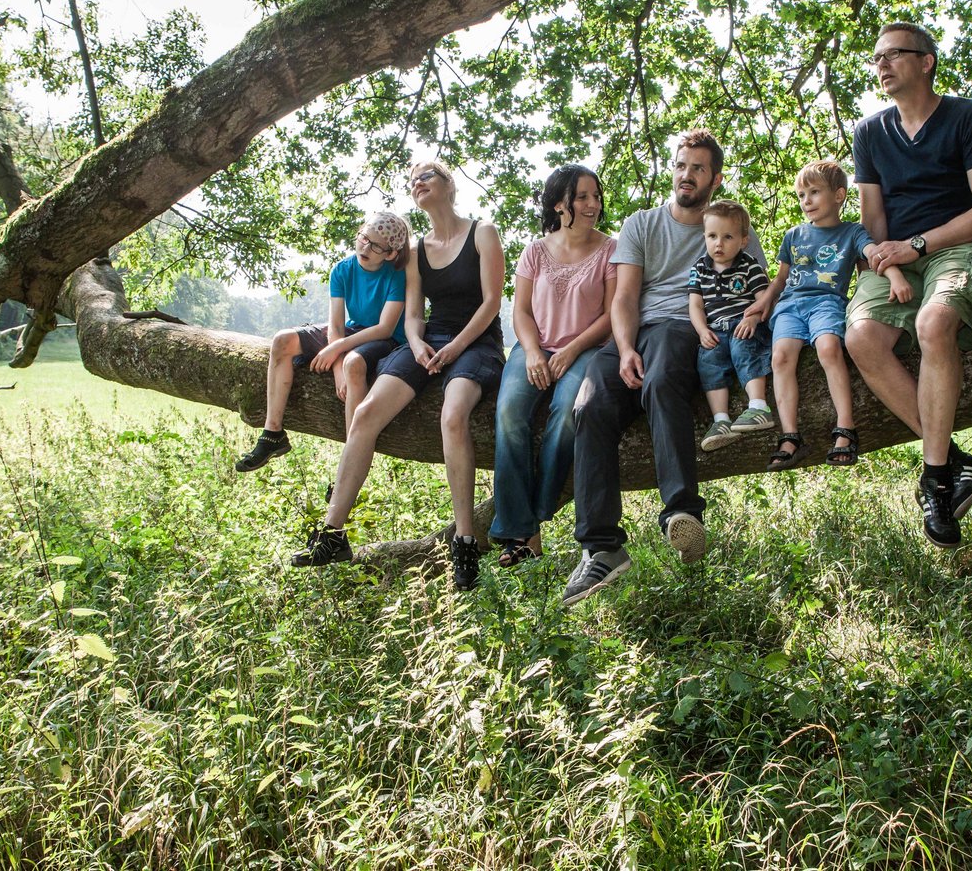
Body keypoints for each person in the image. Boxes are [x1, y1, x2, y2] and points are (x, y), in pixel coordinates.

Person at [564, 129, 766, 607]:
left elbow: (754, 290)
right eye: (680, 165)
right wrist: (626, 346)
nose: (686, 175)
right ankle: (602, 547)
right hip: (635, 330)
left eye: (698, 168)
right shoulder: (642, 224)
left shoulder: (731, 227)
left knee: (659, 384)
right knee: (589, 407)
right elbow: (626, 297)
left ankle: (682, 512)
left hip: (687, 327)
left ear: (714, 179)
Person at [291, 161, 506, 590]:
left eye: (427, 176)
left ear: (449, 185)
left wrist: (455, 348)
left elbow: (491, 304)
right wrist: (419, 341)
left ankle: (465, 541)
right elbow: (411, 315)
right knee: (367, 412)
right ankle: (334, 533)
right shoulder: (415, 252)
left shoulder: (483, 232)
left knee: (452, 415)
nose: (418, 183)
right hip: (429, 340)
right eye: (413, 182)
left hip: (476, 343)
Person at [845, 22, 972, 548]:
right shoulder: (870, 132)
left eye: (896, 54)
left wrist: (918, 246)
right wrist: (891, 265)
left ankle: (936, 480)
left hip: (959, 248)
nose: (882, 64)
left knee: (934, 321)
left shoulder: (967, 117)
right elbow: (872, 219)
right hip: (897, 259)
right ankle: (955, 460)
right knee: (860, 339)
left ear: (926, 62)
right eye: (877, 57)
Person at [488, 165, 617, 568]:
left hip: (586, 351)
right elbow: (521, 313)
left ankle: (533, 517)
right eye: (583, 197)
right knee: (509, 414)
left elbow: (612, 316)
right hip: (533, 349)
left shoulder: (610, 250)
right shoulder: (535, 251)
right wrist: (533, 352)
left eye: (595, 196)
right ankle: (522, 532)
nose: (593, 204)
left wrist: (569, 351)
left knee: (565, 416)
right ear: (560, 203)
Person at [756, 160, 907, 470]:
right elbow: (781, 278)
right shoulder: (793, 235)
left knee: (828, 348)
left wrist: (895, 277)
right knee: (781, 357)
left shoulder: (852, 232)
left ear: (839, 195)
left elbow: (874, 254)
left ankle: (845, 429)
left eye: (814, 192)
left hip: (827, 303)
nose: (806, 201)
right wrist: (765, 302)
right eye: (801, 195)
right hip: (790, 305)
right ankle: (790, 436)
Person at [236, 211, 411, 472]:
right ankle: (273, 434)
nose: (366, 247)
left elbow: (384, 328)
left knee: (354, 364)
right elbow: (337, 325)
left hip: (383, 339)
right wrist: (336, 369)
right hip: (351, 331)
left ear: (390, 253)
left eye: (376, 246)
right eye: (364, 238)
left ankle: (349, 464)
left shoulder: (395, 275)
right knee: (282, 341)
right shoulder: (342, 270)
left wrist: (339, 351)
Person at [686, 200, 775, 452]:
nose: (719, 243)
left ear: (743, 240)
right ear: (704, 236)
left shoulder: (749, 265)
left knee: (743, 348)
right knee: (708, 360)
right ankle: (721, 420)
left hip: (744, 323)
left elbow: (764, 300)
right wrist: (702, 330)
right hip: (715, 327)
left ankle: (758, 407)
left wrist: (754, 318)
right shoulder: (699, 269)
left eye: (727, 237)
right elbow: (696, 306)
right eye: (712, 236)